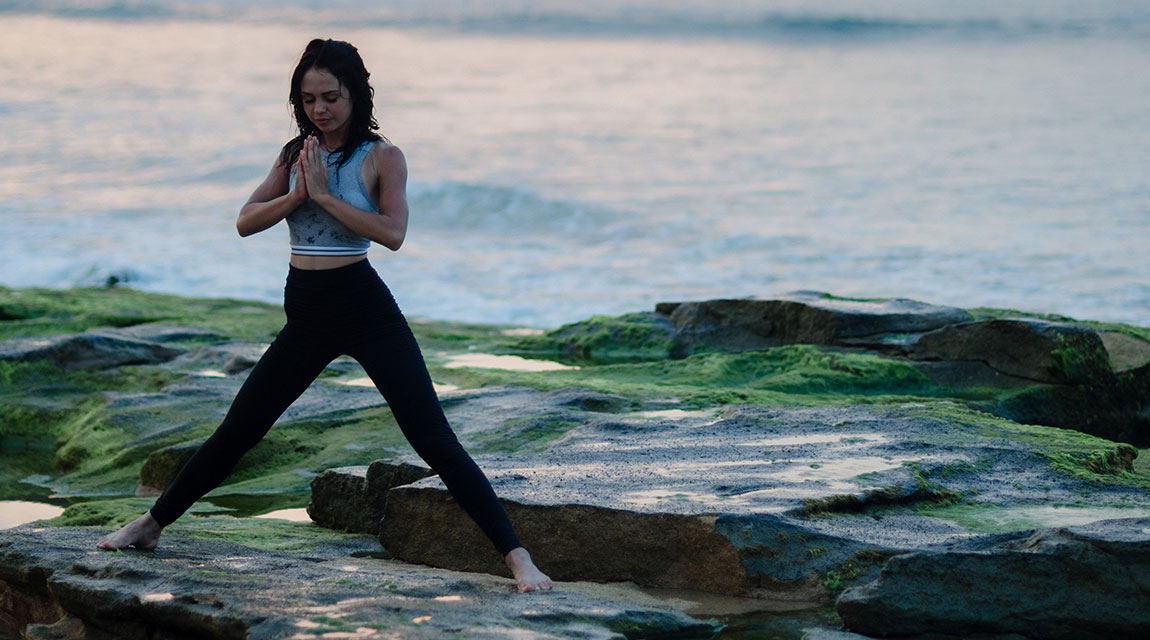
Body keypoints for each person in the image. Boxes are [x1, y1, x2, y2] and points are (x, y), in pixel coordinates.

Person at [97, 38, 552, 593]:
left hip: (364, 308)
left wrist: (326, 198)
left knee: (432, 438)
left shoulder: (383, 157)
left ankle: (518, 558)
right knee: (240, 429)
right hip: (307, 314)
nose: (320, 109)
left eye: (331, 97)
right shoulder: (295, 153)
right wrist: (295, 196)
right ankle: (150, 525)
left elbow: (393, 234)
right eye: (309, 99)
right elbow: (244, 220)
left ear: (356, 95)